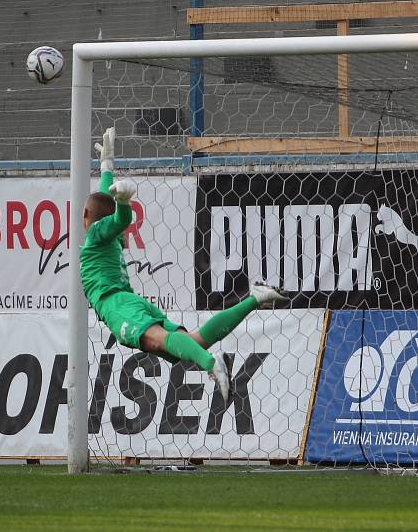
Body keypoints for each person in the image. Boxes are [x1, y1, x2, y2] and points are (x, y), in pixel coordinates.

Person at [80, 128, 288, 401]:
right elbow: (106, 207)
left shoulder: (96, 236)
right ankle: (253, 299)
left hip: (116, 303)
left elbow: (117, 217)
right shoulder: (110, 239)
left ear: (85, 214)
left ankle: (212, 364)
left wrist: (122, 202)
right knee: (193, 341)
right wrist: (107, 166)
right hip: (131, 301)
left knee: (159, 340)